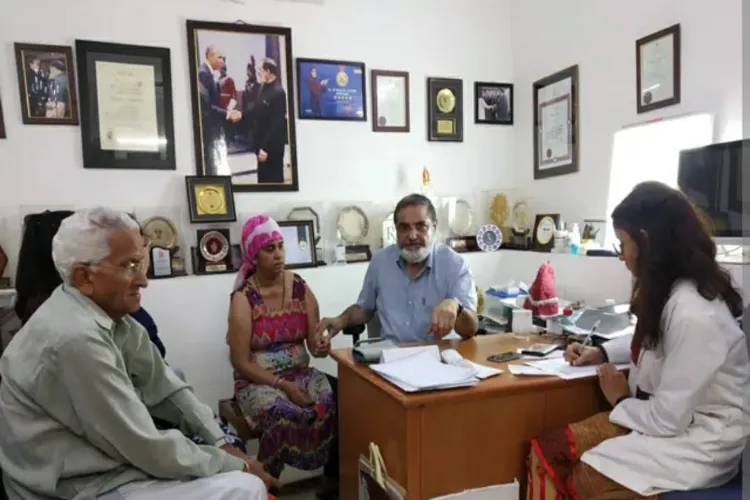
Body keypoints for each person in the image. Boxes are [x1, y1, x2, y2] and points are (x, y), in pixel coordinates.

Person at [0, 208, 276, 500]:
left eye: (141, 262)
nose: (144, 280)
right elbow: (144, 445)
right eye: (130, 265)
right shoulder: (73, 339)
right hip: (74, 488)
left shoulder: (111, 317)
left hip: (103, 468)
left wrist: (219, 442)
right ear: (83, 276)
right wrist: (236, 464)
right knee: (245, 488)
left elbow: (167, 388)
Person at [527, 181, 749, 499]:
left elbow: (667, 420)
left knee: (585, 477)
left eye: (623, 244)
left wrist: (619, 399)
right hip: (667, 423)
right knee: (548, 450)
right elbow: (654, 342)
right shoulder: (674, 292)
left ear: (646, 242)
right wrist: (601, 351)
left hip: (700, 441)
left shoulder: (695, 314)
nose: (622, 257)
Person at [227, 215, 337, 496]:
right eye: (269, 249)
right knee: (282, 412)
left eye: (280, 247)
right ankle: (264, 485)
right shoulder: (244, 298)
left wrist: (321, 345)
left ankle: (334, 480)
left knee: (329, 399)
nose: (278, 255)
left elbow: (313, 345)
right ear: (254, 254)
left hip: (300, 373)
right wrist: (283, 385)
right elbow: (240, 361)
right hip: (257, 382)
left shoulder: (300, 288)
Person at [316, 193, 479, 344]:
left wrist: (457, 307)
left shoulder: (454, 265)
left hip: (442, 356)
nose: (412, 235)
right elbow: (364, 309)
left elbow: (471, 329)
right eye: (404, 228)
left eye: (421, 226)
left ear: (434, 226)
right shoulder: (380, 262)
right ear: (395, 229)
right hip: (392, 358)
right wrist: (340, 321)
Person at [252, 59, 287, 183]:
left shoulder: (278, 92)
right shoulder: (263, 89)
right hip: (261, 145)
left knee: (273, 180)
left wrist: (265, 148)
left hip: (271, 148)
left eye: (260, 70)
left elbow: (276, 123)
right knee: (263, 180)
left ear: (268, 71)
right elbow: (256, 110)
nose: (258, 73)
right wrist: (240, 115)